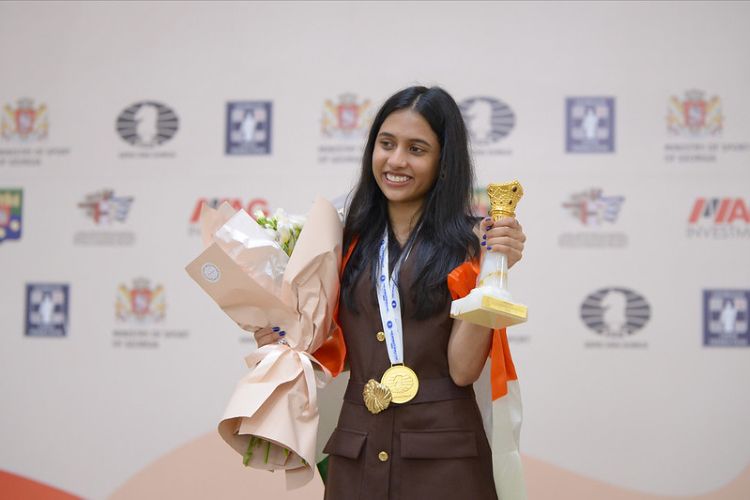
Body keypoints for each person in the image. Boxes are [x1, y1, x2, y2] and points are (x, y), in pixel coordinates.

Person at [255, 86, 526, 499]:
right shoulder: (340, 241)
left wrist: (491, 275)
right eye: (386, 144)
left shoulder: (470, 245)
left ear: (444, 161)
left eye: (416, 149)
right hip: (357, 452)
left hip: (444, 460)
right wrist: (280, 340)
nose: (396, 160)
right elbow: (330, 352)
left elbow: (463, 370)